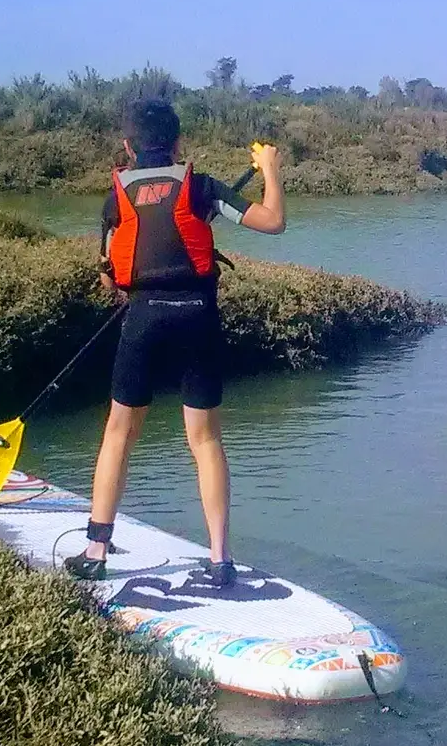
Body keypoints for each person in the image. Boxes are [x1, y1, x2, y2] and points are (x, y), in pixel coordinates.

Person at [65, 99, 285, 586]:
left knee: (119, 433)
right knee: (205, 439)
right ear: (178, 144)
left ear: (128, 146)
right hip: (197, 317)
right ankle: (220, 559)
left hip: (143, 318)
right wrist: (269, 169)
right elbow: (272, 221)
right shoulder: (201, 187)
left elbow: (109, 277)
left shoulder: (115, 196)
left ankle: (96, 549)